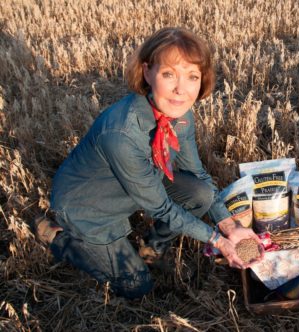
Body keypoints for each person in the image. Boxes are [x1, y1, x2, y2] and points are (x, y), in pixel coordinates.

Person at [33, 27, 262, 299]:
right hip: (88, 207)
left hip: (139, 186)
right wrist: (219, 242)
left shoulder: (182, 114)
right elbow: (161, 207)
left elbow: (197, 174)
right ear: (147, 72)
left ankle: (152, 247)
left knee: (199, 193)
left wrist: (230, 225)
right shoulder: (122, 135)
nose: (181, 90)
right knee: (136, 287)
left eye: (192, 77)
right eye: (169, 75)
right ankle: (58, 237)